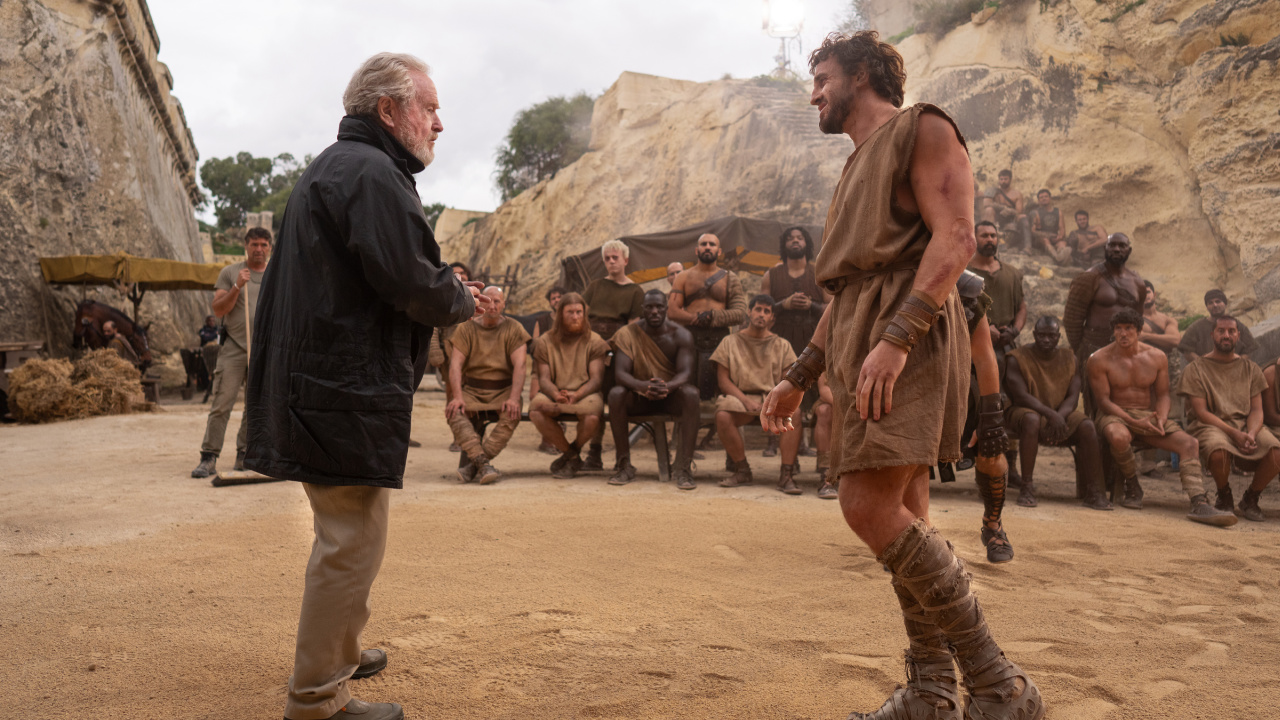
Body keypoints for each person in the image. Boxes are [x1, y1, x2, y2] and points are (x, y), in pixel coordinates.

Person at [762, 31, 1042, 719]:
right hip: (867, 329)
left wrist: (895, 336)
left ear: (862, 72)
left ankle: (999, 684)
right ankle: (932, 691)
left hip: (905, 333)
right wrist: (802, 371)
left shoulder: (924, 126)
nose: (814, 92)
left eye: (821, 75)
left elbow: (956, 239)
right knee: (907, 509)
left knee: (865, 502)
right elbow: (848, 291)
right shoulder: (855, 167)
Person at [243, 53, 485, 720]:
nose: (440, 122)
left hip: (330, 384)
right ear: (388, 111)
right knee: (350, 539)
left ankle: (339, 652)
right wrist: (461, 299)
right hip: (338, 389)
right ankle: (317, 696)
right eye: (429, 108)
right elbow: (412, 282)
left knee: (354, 532)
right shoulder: (372, 173)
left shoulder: (345, 166)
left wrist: (451, 292)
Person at [1086, 309, 1236, 526]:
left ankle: (1199, 501)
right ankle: (1132, 484)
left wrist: (1161, 418)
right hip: (1115, 414)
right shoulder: (1099, 359)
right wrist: (1134, 422)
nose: (1123, 334)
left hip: (1149, 415)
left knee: (1189, 443)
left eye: (1129, 328)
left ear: (1139, 331)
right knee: (1118, 436)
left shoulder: (1156, 357)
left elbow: (1164, 395)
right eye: (1118, 329)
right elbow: (1104, 402)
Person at [191, 226, 273, 478]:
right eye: (254, 244)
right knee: (222, 403)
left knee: (256, 405)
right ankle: (209, 456)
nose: (258, 249)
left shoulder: (276, 274)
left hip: (264, 349)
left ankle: (245, 454)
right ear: (245, 246)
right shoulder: (231, 273)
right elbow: (218, 310)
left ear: (270, 247)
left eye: (263, 244)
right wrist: (237, 287)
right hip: (235, 347)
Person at [1179, 315, 1278, 522]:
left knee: (1275, 451)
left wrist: (1250, 433)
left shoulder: (1250, 369)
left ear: (1238, 336)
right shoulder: (1196, 368)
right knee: (1218, 452)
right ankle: (1224, 494)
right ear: (1212, 335)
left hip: (1245, 424)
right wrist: (1234, 433)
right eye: (1221, 331)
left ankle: (1251, 498)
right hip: (1210, 424)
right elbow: (1201, 412)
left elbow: (1256, 410)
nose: (1226, 335)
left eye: (1231, 331)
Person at [1005, 316, 1109, 510]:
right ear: (1034, 335)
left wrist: (1059, 415)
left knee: (1087, 425)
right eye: (1041, 335)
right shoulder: (1017, 357)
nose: (1046, 339)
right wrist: (1052, 415)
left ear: (1058, 337)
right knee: (1031, 420)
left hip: (1061, 412)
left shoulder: (1070, 358)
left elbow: (1073, 395)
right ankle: (1026, 487)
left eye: (1051, 336)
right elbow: (1020, 396)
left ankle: (1094, 491)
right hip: (1026, 411)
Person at [607, 289, 700, 489]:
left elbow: (685, 373)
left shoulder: (681, 334)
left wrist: (668, 387)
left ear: (666, 308)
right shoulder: (628, 333)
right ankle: (624, 465)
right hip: (640, 397)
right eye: (649, 307)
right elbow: (621, 374)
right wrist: (643, 386)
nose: (655, 311)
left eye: (659, 307)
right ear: (642, 310)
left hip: (670, 397)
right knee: (616, 394)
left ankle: (684, 468)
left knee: (691, 394)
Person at [954, 271, 1017, 563]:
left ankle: (993, 526)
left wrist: (992, 415)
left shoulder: (965, 288)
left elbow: (983, 354)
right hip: (915, 385)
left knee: (991, 452)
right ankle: (911, 535)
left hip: (967, 388)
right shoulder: (894, 276)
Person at [710, 295, 802, 492]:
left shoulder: (782, 345)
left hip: (773, 398)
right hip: (740, 398)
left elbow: (788, 381)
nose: (761, 314)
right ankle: (742, 470)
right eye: (758, 309)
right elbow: (723, 380)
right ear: (749, 313)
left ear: (772, 319)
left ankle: (786, 475)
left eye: (767, 311)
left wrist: (772, 402)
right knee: (723, 415)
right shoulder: (729, 342)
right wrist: (745, 401)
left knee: (795, 412)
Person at [446, 286, 529, 485]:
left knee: (512, 413)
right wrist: (457, 396)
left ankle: (474, 465)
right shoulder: (466, 328)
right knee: (454, 411)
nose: (492, 305)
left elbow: (521, 365)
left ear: (504, 304)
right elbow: (455, 365)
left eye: (497, 301)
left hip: (503, 390)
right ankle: (483, 464)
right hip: (473, 390)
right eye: (488, 301)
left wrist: (514, 398)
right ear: (481, 302)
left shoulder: (514, 328)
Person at [761, 225, 829, 458]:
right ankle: (774, 439)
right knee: (780, 384)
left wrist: (812, 305)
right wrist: (783, 305)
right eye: (790, 238)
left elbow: (833, 306)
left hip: (812, 337)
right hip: (781, 338)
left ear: (807, 244)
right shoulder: (771, 274)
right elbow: (762, 308)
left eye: (800, 238)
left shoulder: (819, 271)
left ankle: (802, 443)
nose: (795, 241)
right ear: (784, 245)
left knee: (808, 389)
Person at [528, 292, 610, 478]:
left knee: (592, 416)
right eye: (570, 312)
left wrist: (577, 394)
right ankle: (572, 456)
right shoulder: (544, 342)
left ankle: (572, 451)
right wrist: (556, 394)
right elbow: (544, 379)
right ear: (560, 315)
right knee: (535, 410)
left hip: (585, 393)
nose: (575, 317)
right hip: (554, 392)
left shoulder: (595, 341)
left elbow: (596, 380)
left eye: (579, 312)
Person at [1063, 232, 1146, 414]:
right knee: (1096, 404)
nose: (1116, 249)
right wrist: (1083, 349)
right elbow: (1072, 319)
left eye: (1121, 246)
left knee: (1125, 400)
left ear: (1129, 250)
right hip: (1094, 346)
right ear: (1105, 248)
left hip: (1125, 349)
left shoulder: (1137, 282)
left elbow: (1138, 320)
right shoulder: (1089, 278)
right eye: (1112, 245)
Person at [581, 240, 646, 469]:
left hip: (618, 353)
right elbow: (582, 316)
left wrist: (609, 346)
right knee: (593, 400)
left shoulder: (635, 291)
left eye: (615, 257)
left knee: (616, 401)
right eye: (607, 258)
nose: (611, 261)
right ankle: (593, 452)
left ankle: (622, 457)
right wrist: (591, 344)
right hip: (589, 351)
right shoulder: (596, 286)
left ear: (625, 260)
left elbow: (632, 327)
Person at [668, 233, 748, 399]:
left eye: (712, 244)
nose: (707, 247)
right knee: (687, 390)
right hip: (690, 338)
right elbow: (672, 311)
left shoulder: (730, 279)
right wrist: (695, 319)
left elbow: (740, 313)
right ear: (697, 250)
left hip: (720, 340)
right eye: (704, 244)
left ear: (719, 251)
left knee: (721, 392)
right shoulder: (683, 277)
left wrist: (712, 316)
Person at [1180, 289, 1259, 362]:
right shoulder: (1196, 327)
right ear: (1207, 307)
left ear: (1225, 304)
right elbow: (1187, 351)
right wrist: (1203, 365)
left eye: (1218, 301)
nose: (1214, 305)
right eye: (1210, 303)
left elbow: (1250, 348)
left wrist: (1235, 364)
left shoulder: (1237, 325)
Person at [981, 169, 1029, 250]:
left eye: (1005, 179)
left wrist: (1010, 211)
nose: (1003, 181)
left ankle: (1027, 247)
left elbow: (1019, 211)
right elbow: (986, 204)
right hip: (996, 218)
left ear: (1010, 180)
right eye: (1001, 179)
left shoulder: (1016, 194)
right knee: (989, 210)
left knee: (1022, 217)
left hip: (1010, 219)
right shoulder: (993, 191)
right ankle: (989, 237)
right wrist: (1003, 208)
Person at [812, 372, 839, 499]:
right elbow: (824, 390)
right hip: (836, 402)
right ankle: (826, 476)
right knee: (825, 411)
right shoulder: (830, 354)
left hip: (862, 399)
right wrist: (848, 407)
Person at [1028, 189, 1068, 264]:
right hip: (1040, 240)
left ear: (1050, 198)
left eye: (1046, 196)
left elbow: (1062, 229)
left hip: (1054, 238)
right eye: (1041, 197)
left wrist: (1060, 237)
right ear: (1038, 200)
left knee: (1062, 243)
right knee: (1045, 240)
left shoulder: (1058, 212)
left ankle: (1062, 256)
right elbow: (1032, 232)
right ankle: (1057, 258)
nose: (1044, 198)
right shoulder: (1035, 213)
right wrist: (1048, 235)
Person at [1140, 281, 1182, 353]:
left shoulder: (1167, 320)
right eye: (1141, 294)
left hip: (1164, 362)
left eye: (1147, 292)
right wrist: (1164, 339)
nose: (1145, 296)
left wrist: (1145, 336)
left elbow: (1176, 340)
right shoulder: (1134, 320)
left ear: (1154, 294)